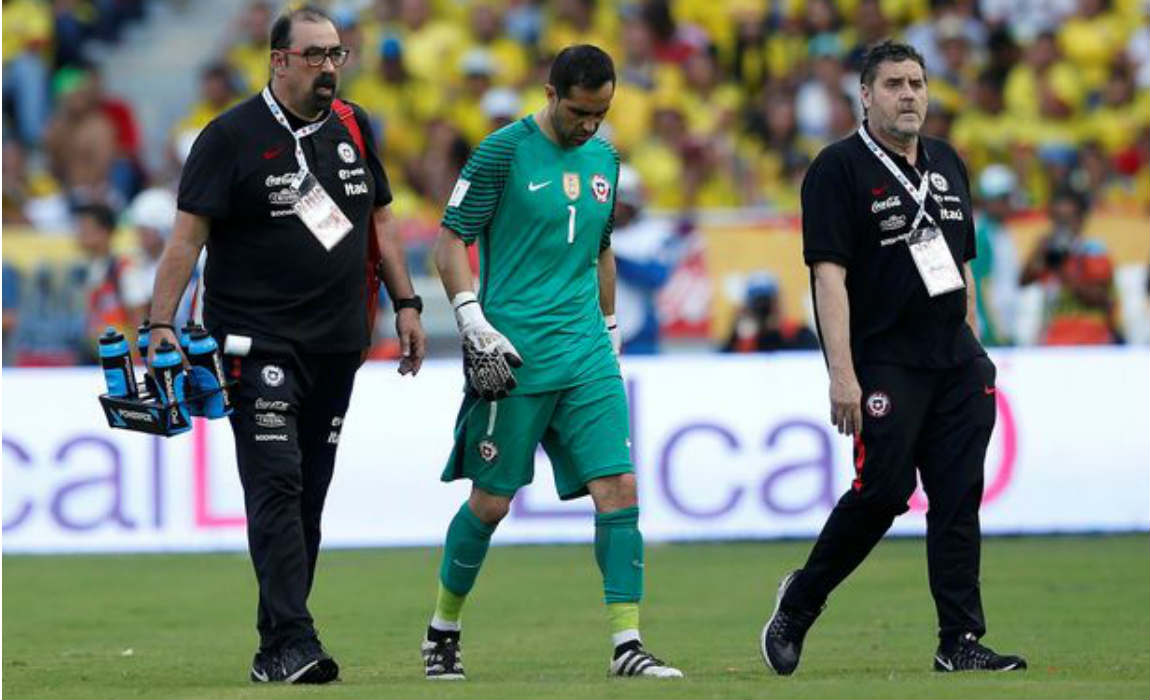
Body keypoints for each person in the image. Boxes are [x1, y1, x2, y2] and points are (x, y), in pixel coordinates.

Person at [145, 5, 426, 685]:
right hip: (254, 341)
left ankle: (277, 647)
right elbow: (187, 239)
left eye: (336, 56)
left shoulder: (356, 126)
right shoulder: (230, 137)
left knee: (308, 497)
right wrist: (159, 325)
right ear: (278, 60)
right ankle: (296, 640)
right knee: (276, 482)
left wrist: (407, 303)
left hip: (337, 343)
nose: (328, 68)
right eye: (314, 56)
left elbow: (379, 222)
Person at [759, 41, 1027, 676]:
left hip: (956, 363)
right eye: (894, 85)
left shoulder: (947, 162)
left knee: (958, 497)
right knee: (882, 492)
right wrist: (842, 374)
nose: (909, 95)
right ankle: (799, 601)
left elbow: (960, 267)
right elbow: (828, 280)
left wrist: (976, 349)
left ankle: (958, 639)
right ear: (866, 95)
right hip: (885, 362)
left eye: (917, 83)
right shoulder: (837, 169)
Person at [421, 44, 682, 680]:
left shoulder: (607, 158)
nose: (589, 125)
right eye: (579, 112)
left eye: (601, 112)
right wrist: (470, 317)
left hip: (586, 349)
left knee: (619, 489)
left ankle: (627, 643)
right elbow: (450, 241)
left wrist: (612, 328)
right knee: (491, 502)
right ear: (549, 93)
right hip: (512, 353)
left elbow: (601, 250)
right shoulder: (503, 151)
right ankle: (443, 629)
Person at [1019, 187, 1118, 345]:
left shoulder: (1094, 250)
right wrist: (1039, 252)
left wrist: (1061, 268)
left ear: (1081, 220)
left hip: (1091, 337)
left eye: (1066, 219)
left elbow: (1100, 298)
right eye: (1056, 218)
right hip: (1052, 338)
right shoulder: (1050, 250)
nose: (1061, 225)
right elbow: (1023, 282)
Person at [610, 164, 685, 354]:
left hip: (639, 333)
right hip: (596, 331)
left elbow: (657, 276)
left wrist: (612, 260)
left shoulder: (654, 234)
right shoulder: (592, 232)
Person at [722, 272, 819, 353]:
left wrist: (777, 331)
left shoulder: (798, 334)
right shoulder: (744, 340)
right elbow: (721, 362)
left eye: (769, 302)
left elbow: (813, 357)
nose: (765, 309)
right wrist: (738, 336)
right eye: (758, 303)